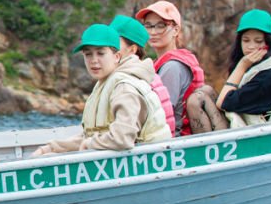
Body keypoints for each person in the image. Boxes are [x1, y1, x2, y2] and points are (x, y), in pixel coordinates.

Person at [35, 23, 171, 156]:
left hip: (151, 159)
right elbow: (91, 135)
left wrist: (89, 144)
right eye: (88, 54)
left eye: (100, 53)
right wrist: (51, 148)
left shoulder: (124, 87)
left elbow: (122, 138)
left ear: (117, 56)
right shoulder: (105, 82)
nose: (94, 60)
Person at [196, 9, 271, 129]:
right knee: (205, 91)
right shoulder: (253, 69)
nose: (251, 46)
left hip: (263, 134)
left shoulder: (269, 76)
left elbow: (223, 102)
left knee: (196, 100)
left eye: (258, 41)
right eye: (246, 40)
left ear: (268, 44)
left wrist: (242, 66)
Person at [137, 0, 206, 135]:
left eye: (161, 26)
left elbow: (159, 111)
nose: (153, 32)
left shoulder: (172, 67)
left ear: (175, 30)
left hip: (177, 138)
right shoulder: (172, 61)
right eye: (148, 26)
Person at [109, 14, 176, 136]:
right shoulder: (146, 73)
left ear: (132, 50)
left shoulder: (130, 82)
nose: (108, 48)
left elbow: (124, 135)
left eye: (114, 43)